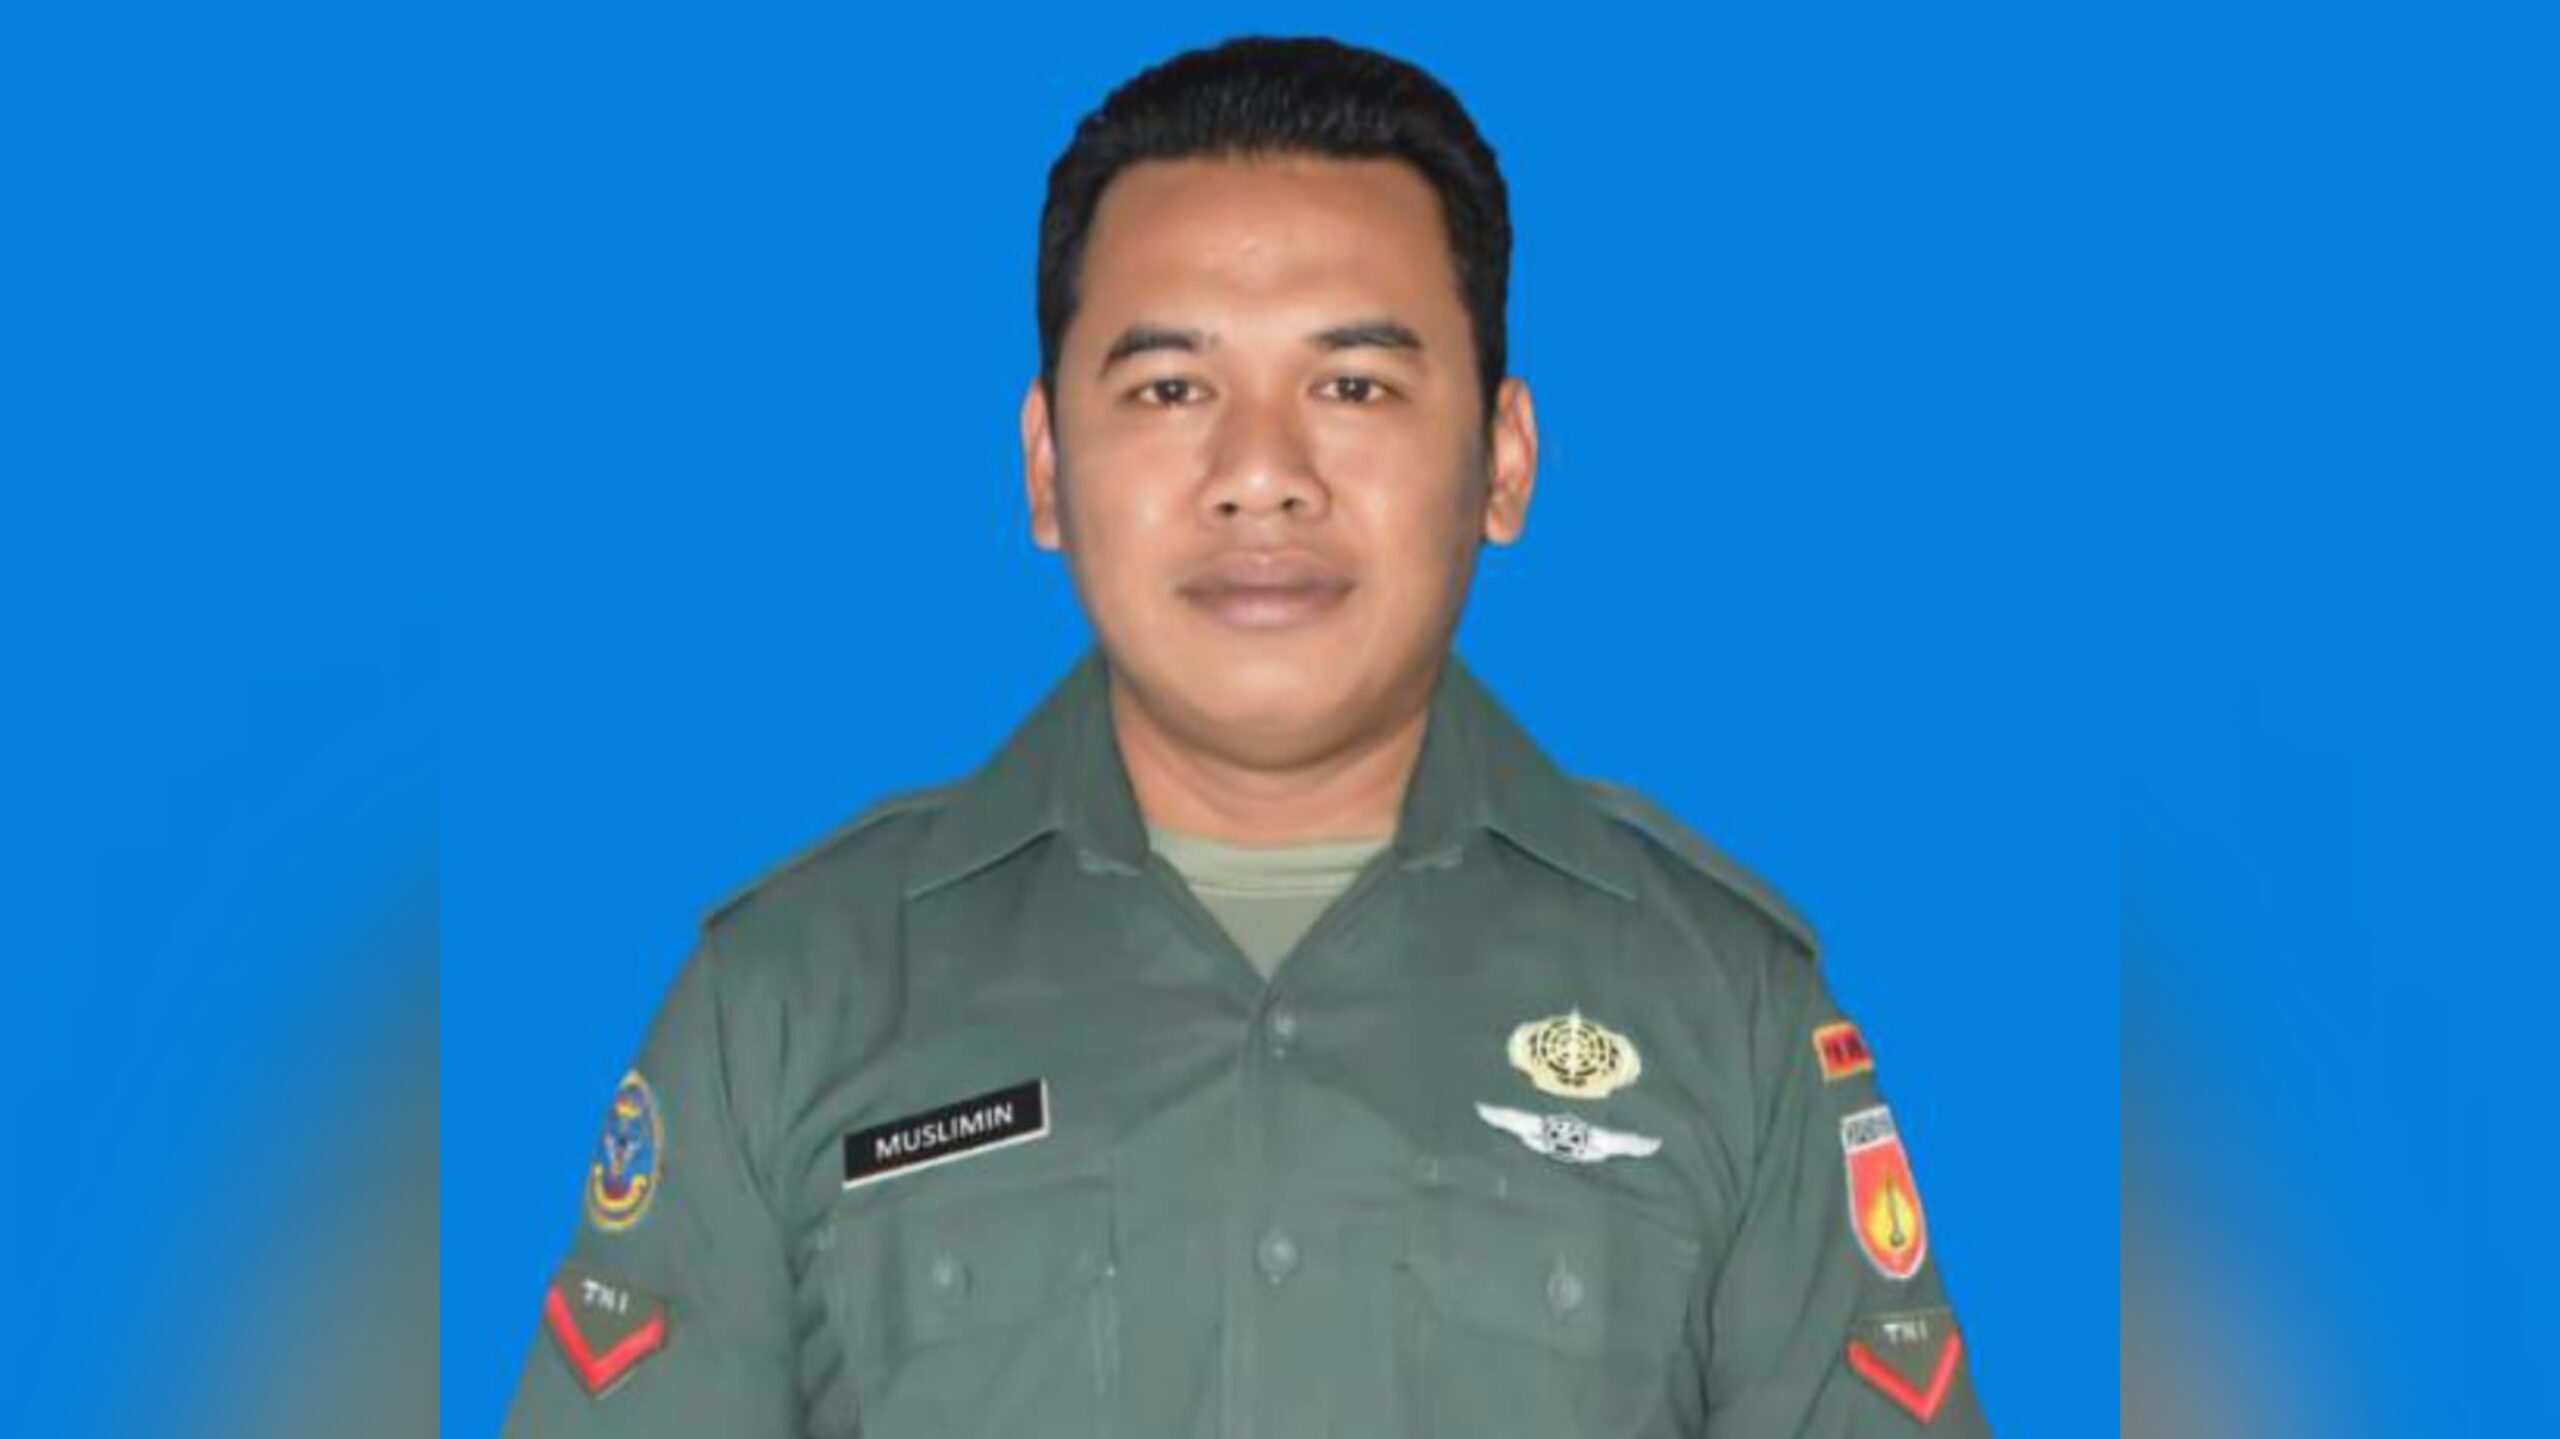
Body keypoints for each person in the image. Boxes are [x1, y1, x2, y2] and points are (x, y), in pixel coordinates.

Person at [500, 35, 1990, 1438]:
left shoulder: (1725, 1005)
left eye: (1352, 385)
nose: (1260, 473)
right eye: (1170, 388)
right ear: (1046, 467)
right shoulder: (787, 1000)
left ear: (1503, 460)